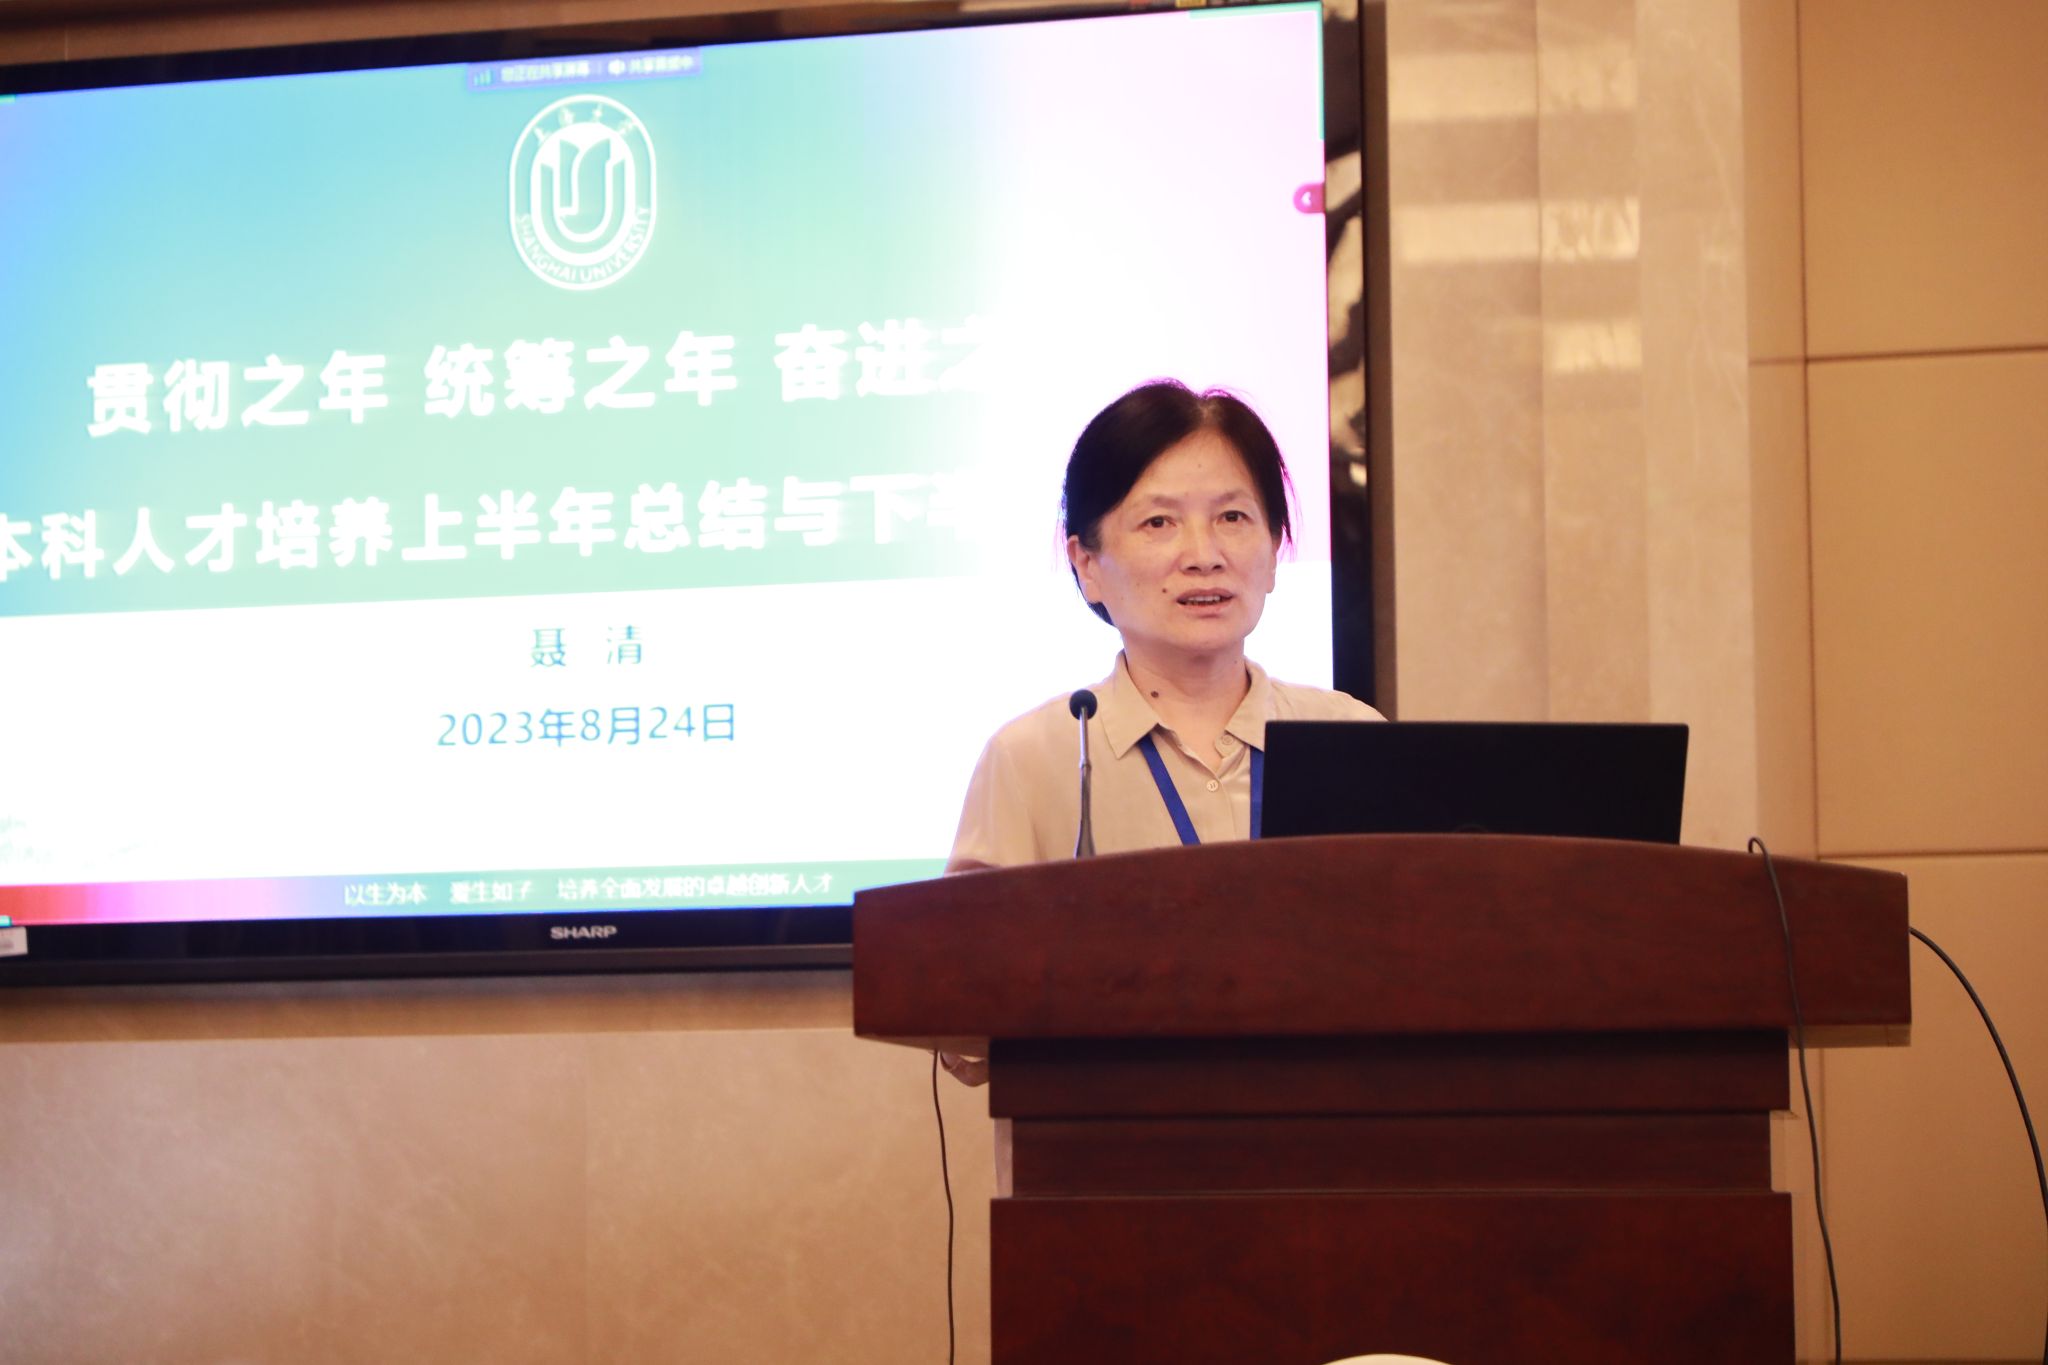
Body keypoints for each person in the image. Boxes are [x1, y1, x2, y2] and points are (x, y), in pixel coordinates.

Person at [947, 378, 1383, 874]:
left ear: (1273, 550)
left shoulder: (1356, 741)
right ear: (1087, 564)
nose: (1204, 556)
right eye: (1159, 522)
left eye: (1232, 517)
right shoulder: (1029, 762)